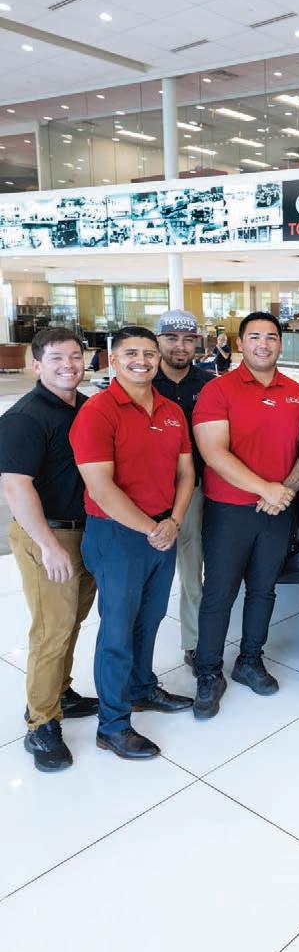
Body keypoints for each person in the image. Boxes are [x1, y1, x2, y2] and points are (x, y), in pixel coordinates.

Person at [70, 326, 195, 760]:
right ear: (113, 359)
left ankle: (142, 688)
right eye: (131, 354)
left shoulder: (171, 411)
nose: (141, 361)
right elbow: (101, 489)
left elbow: (186, 472)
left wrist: (174, 520)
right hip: (118, 535)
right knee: (118, 631)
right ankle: (112, 725)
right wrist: (152, 528)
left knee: (151, 618)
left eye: (148, 354)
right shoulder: (97, 412)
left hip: (163, 530)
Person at [191, 312, 299, 720]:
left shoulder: (298, 393)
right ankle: (208, 671)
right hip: (229, 511)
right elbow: (213, 452)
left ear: (280, 343)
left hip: (278, 510)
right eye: (255, 336)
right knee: (219, 593)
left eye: (271, 337)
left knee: (263, 589)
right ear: (240, 344)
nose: (263, 344)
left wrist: (285, 490)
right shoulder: (217, 390)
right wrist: (266, 489)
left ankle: (249, 661)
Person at [0, 328, 98, 771]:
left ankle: (60, 691)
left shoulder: (86, 407)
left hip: (86, 532)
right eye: (56, 358)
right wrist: (48, 545)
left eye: (75, 356)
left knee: (72, 620)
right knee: (51, 630)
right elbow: (16, 487)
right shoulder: (25, 417)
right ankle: (40, 723)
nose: (68, 365)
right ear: (36, 364)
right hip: (49, 535)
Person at [154, 309, 214, 673]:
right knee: (153, 575)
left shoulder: (209, 384)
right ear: (158, 340)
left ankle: (193, 642)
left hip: (198, 489)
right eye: (172, 338)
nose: (180, 346)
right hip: (151, 492)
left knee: (193, 570)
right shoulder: (143, 381)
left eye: (188, 339)